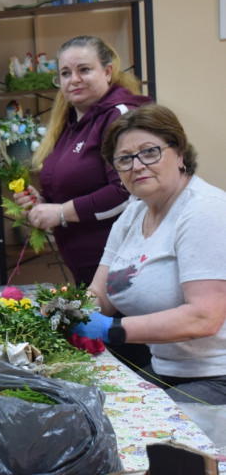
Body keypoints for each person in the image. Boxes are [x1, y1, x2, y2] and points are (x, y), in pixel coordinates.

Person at [75, 105, 226, 407]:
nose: (137, 165)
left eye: (150, 152)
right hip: (167, 369)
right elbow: (100, 294)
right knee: (89, 410)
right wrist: (69, 311)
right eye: (124, 159)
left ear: (180, 154)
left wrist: (111, 329)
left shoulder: (204, 210)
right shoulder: (133, 213)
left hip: (217, 377)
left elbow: (204, 317)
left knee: (129, 433)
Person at [16, 35, 152, 285]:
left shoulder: (120, 117)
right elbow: (72, 188)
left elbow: (127, 192)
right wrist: (42, 201)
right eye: (66, 73)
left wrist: (61, 212)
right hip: (86, 273)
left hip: (124, 272)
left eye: (84, 70)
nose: (74, 80)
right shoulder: (69, 124)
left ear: (108, 71)